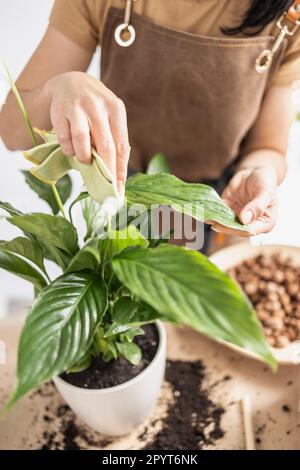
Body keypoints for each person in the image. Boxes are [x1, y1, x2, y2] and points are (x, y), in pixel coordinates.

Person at [0, 0, 299, 244]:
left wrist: (259, 171)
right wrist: (59, 89)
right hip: (127, 195)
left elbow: (268, 145)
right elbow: (13, 132)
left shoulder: (289, 15)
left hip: (224, 204)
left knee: (196, 309)